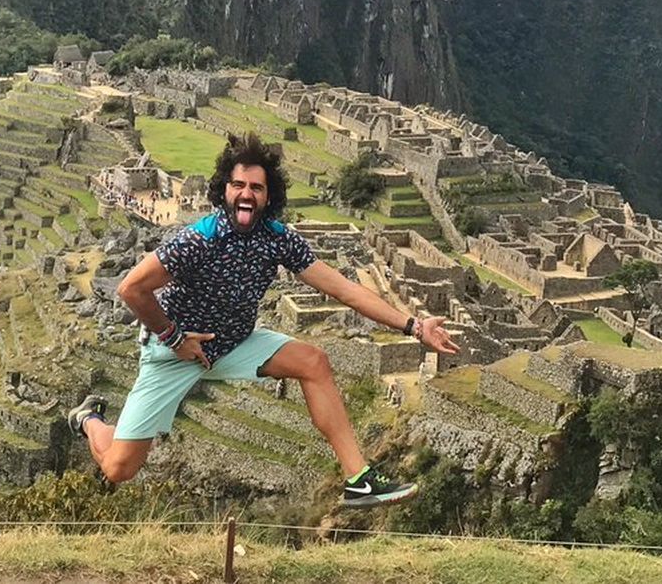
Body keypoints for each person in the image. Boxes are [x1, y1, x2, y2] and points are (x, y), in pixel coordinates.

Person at [68, 133, 460, 507]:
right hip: (175, 351)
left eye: (256, 188)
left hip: (234, 344)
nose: (246, 194)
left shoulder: (277, 239)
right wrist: (174, 338)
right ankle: (89, 420)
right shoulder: (199, 240)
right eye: (238, 185)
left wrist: (414, 326)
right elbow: (131, 289)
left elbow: (346, 290)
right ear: (224, 190)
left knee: (314, 362)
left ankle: (359, 480)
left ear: (268, 197)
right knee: (120, 469)